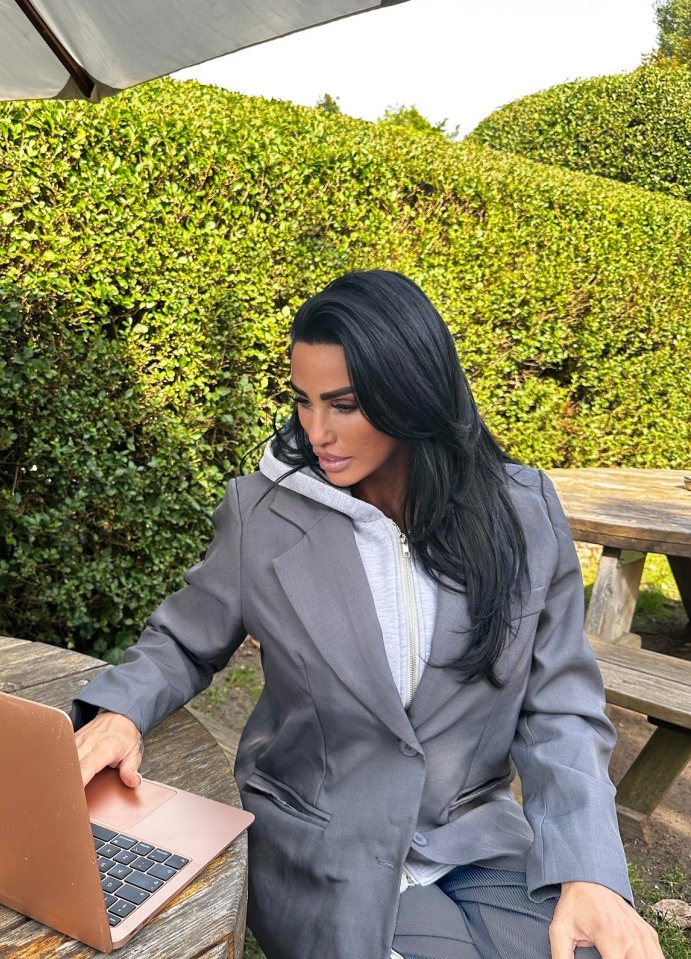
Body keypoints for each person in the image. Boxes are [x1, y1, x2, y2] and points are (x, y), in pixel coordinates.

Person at [72, 270, 663, 959]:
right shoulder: (262, 514)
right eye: (303, 402)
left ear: (411, 391)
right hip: (324, 843)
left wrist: (588, 870)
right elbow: (182, 641)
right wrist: (120, 711)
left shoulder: (522, 511)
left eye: (344, 404)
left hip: (475, 838)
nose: (316, 431)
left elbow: (561, 704)